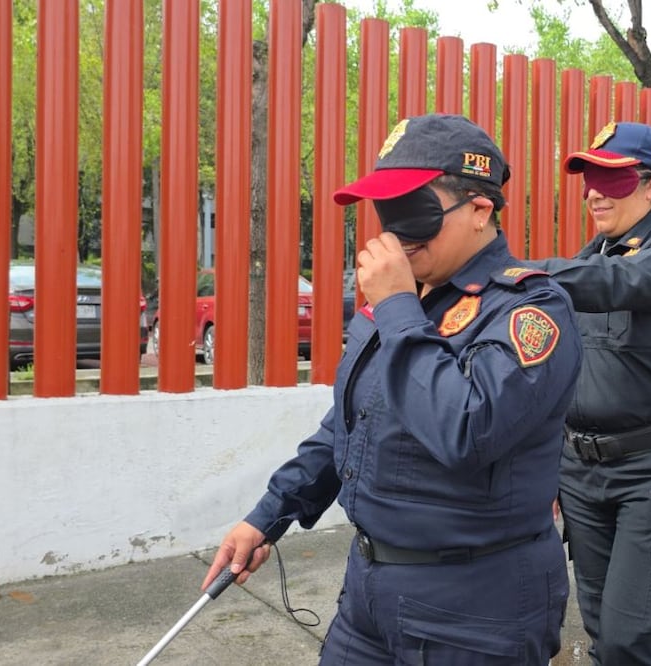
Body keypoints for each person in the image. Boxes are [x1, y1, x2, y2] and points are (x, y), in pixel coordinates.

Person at [202, 113, 583, 665]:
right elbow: (349, 426)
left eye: (415, 212)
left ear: (480, 210)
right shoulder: (399, 303)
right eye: (387, 212)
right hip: (369, 594)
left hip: (475, 610)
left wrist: (400, 308)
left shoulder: (530, 309)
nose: (397, 234)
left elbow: (467, 429)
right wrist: (268, 515)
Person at [526, 121, 651, 665]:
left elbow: (622, 282)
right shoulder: (586, 259)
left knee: (632, 639)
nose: (594, 193)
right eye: (589, 180)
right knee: (599, 624)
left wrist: (514, 272)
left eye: (611, 180)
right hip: (583, 471)